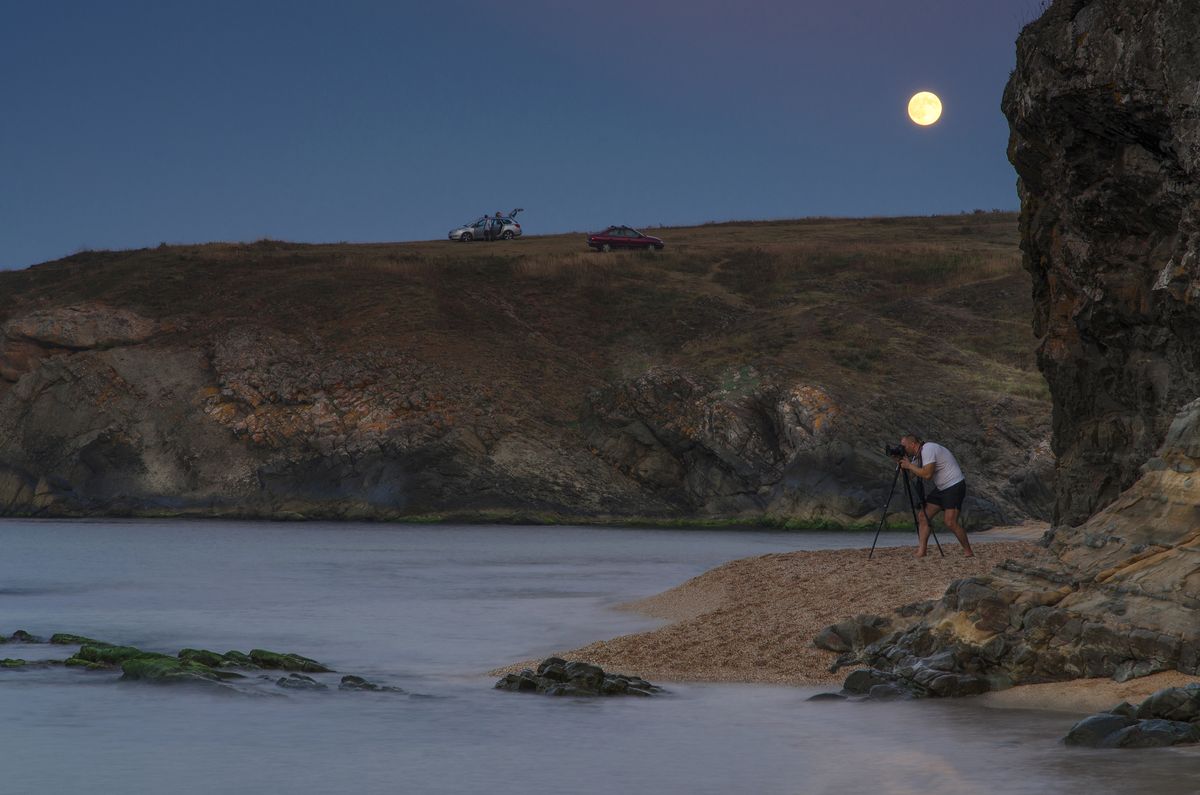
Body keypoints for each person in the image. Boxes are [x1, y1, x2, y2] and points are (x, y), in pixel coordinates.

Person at [897, 433, 974, 558]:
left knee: (950, 522)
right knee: (923, 516)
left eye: (904, 446)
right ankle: (922, 551)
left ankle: (968, 551)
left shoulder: (928, 449)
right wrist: (900, 463)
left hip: (954, 485)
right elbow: (910, 476)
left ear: (912, 444)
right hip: (941, 488)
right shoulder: (918, 456)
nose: (903, 449)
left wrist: (909, 465)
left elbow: (927, 475)